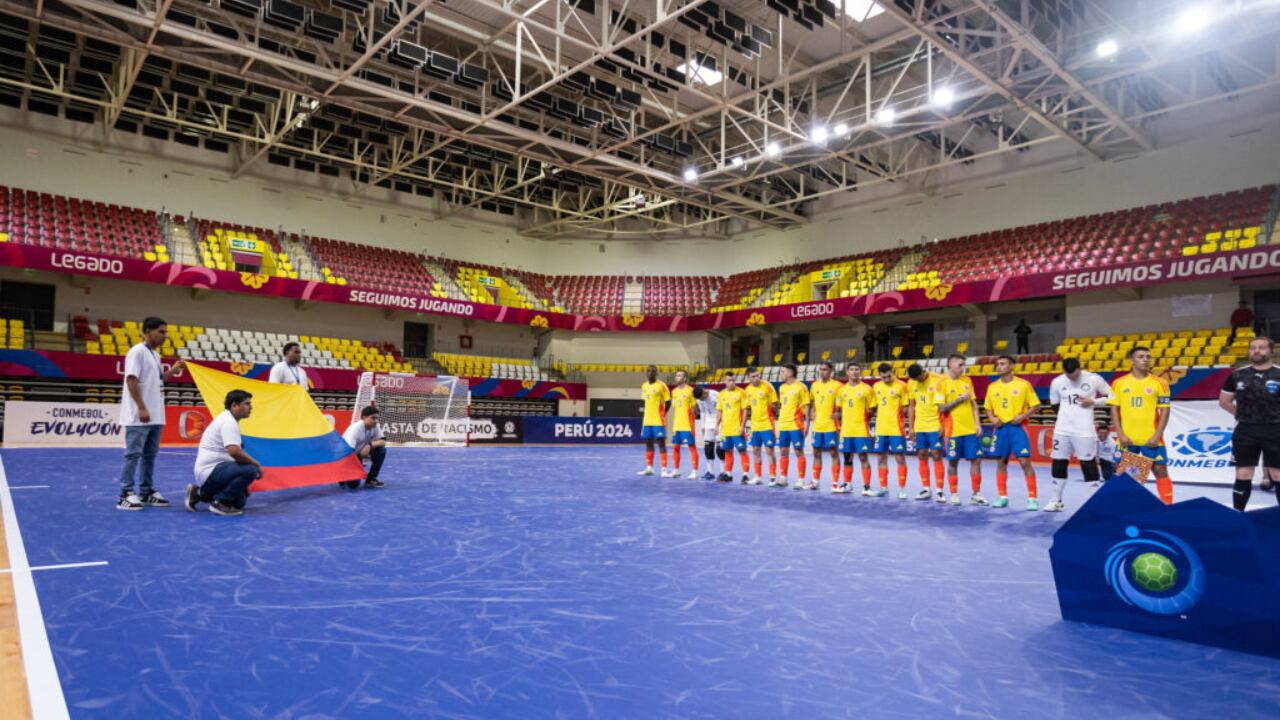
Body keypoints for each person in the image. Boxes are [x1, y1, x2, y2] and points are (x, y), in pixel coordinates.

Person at [116, 316, 184, 510]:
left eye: (165, 332)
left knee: (149, 455)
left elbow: (159, 379)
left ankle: (146, 492)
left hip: (156, 414)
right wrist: (141, 407)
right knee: (133, 454)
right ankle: (125, 494)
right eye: (161, 332)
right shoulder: (137, 352)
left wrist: (174, 370)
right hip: (140, 415)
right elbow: (131, 380)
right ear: (147, 331)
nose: (165, 336)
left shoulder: (155, 354)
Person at [1220, 336, 1280, 510]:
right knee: (1243, 473)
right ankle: (1238, 514)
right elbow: (1224, 401)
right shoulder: (1237, 374)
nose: (1256, 351)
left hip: (1275, 430)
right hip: (1246, 430)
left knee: (1277, 473)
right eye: (1253, 347)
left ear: (1271, 351)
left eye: (1261, 347)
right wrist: (1243, 415)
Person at [1044, 357, 1111, 512]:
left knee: (1088, 464)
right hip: (1062, 431)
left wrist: (1094, 402)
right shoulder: (1057, 382)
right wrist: (1068, 418)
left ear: (1079, 369)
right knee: (1058, 463)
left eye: (1074, 374)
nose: (1071, 378)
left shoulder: (1094, 379)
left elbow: (1113, 396)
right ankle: (1056, 501)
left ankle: (1095, 503)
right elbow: (1055, 405)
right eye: (1068, 375)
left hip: (1084, 431)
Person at [1108, 346, 1174, 504]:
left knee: (1160, 470)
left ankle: (1168, 507)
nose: (1146, 359)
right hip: (1127, 439)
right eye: (1141, 356)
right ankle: (1128, 508)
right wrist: (1121, 434)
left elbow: (1165, 411)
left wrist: (1157, 435)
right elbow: (1114, 410)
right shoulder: (1118, 383)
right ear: (1131, 360)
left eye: (1148, 357)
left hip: (1151, 439)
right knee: (1123, 474)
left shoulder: (1160, 383)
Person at [184, 389, 261, 516]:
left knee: (239, 502)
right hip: (211, 470)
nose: (251, 407)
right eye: (247, 404)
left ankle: (198, 494)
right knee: (251, 470)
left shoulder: (227, 418)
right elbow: (234, 452)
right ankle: (220, 503)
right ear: (234, 406)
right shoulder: (228, 422)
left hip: (212, 471)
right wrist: (257, 464)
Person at [984, 356, 1042, 510]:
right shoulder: (992, 387)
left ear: (1011, 367)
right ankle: (1002, 497)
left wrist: (1022, 416)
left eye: (1003, 364)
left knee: (1024, 462)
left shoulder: (1023, 385)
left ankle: (1032, 498)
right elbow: (988, 408)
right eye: (998, 364)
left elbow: (1036, 405)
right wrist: (992, 418)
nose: (999, 367)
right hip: (1000, 429)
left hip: (1018, 428)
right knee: (1001, 462)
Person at [940, 353, 983, 506]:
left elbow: (973, 405)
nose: (963, 368)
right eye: (960, 365)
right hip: (953, 430)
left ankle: (976, 493)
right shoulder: (941, 383)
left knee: (976, 460)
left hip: (970, 429)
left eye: (964, 365)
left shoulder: (967, 380)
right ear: (951, 364)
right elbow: (942, 408)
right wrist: (959, 399)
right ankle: (954, 493)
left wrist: (977, 424)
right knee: (953, 462)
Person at [906, 363, 946, 501]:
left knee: (936, 455)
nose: (919, 381)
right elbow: (911, 406)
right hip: (920, 425)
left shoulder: (939, 380)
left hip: (935, 424)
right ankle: (926, 489)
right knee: (922, 455)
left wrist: (943, 423)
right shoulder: (912, 383)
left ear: (924, 371)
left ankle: (940, 490)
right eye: (916, 379)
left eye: (920, 377)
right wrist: (911, 427)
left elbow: (944, 405)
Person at [836, 363, 875, 493]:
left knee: (863, 457)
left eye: (857, 369)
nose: (854, 372)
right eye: (851, 370)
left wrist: (868, 413)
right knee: (847, 457)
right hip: (846, 430)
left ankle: (867, 486)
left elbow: (873, 409)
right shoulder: (841, 390)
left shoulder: (867, 389)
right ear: (847, 372)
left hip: (861, 430)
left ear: (860, 372)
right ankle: (847, 484)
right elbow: (840, 409)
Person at [871, 362, 908, 498]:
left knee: (900, 458)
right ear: (879, 376)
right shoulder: (876, 386)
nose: (886, 379)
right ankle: (883, 488)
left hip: (896, 429)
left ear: (893, 372)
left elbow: (905, 408)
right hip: (880, 428)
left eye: (889, 376)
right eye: (883, 377)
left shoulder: (902, 386)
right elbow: (874, 407)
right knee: (881, 458)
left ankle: (902, 489)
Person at [775, 364, 813, 489]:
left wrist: (807, 424)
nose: (781, 374)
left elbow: (806, 406)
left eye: (783, 371)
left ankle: (801, 479)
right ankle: (783, 478)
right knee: (783, 451)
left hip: (796, 424)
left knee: (798, 451)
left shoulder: (801, 387)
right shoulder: (782, 387)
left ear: (791, 373)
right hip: (783, 424)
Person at [809, 362, 843, 492]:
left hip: (831, 426)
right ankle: (815, 481)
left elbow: (842, 407)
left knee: (833, 453)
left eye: (825, 370)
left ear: (831, 371)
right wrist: (812, 414)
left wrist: (838, 414)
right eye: (821, 369)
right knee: (816, 452)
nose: (822, 372)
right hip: (818, 426)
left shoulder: (837, 386)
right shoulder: (814, 385)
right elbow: (812, 403)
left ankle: (835, 483)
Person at [744, 367, 779, 486]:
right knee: (755, 451)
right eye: (753, 376)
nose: (756, 378)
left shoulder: (768, 386)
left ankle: (773, 477)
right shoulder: (747, 390)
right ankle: (758, 476)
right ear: (748, 378)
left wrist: (771, 416)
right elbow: (748, 408)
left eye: (757, 375)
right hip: (755, 426)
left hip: (767, 424)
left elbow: (775, 404)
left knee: (769, 450)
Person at [715, 374, 751, 483]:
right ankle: (728, 474)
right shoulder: (721, 394)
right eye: (729, 380)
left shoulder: (741, 392)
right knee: (727, 451)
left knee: (742, 450)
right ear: (725, 381)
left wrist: (742, 426)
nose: (732, 382)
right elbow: (720, 410)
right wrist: (717, 425)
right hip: (726, 430)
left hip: (737, 429)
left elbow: (745, 410)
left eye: (734, 380)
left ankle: (745, 475)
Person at [637, 365, 671, 477]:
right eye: (648, 371)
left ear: (656, 373)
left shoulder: (662, 385)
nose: (650, 372)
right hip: (647, 420)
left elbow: (668, 402)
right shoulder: (644, 386)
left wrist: (662, 414)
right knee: (648, 443)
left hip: (658, 420)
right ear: (646, 373)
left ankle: (664, 470)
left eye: (653, 371)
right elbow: (646, 403)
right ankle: (649, 468)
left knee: (661, 443)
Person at [342, 406, 387, 489]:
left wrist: (369, 445)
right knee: (353, 485)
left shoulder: (375, 426)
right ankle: (342, 476)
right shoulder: (355, 429)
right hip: (345, 457)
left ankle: (371, 479)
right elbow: (348, 453)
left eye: (377, 418)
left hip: (358, 453)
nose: (376, 421)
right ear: (364, 417)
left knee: (381, 450)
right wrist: (360, 469)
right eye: (373, 418)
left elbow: (383, 441)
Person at [668, 370, 700, 480]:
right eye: (677, 375)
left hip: (687, 425)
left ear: (685, 378)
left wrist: (693, 415)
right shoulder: (674, 392)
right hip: (677, 425)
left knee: (692, 447)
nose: (678, 377)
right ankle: (676, 470)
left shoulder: (691, 390)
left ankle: (695, 472)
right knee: (675, 447)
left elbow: (696, 409)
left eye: (680, 375)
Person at [694, 386, 722, 480]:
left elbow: (722, 409)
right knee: (708, 447)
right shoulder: (699, 399)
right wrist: (702, 426)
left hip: (720, 421)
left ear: (704, 392)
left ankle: (723, 472)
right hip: (708, 423)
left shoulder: (715, 395)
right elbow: (702, 412)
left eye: (702, 398)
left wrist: (718, 425)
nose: (701, 400)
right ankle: (710, 472)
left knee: (720, 448)